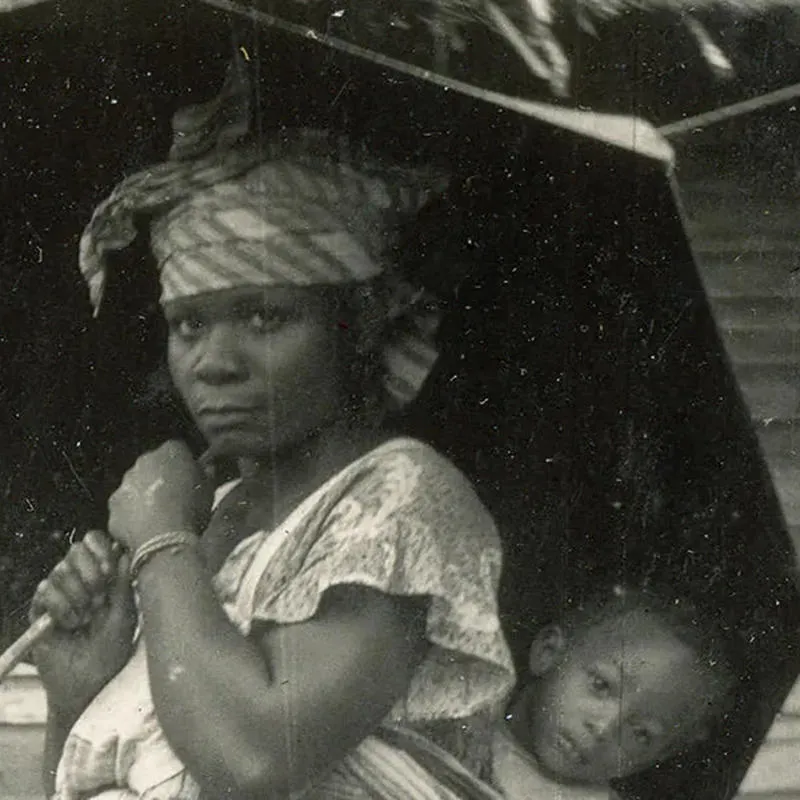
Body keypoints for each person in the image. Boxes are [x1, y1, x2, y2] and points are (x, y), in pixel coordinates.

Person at [28, 61, 515, 800]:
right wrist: (78, 691)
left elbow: (255, 759)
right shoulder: (219, 509)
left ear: (357, 327)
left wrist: (161, 541)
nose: (213, 363)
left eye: (264, 316)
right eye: (188, 324)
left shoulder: (404, 501)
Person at [493, 585, 739, 800]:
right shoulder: (462, 721)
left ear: (661, 754)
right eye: (601, 686)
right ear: (548, 652)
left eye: (641, 733)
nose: (604, 728)